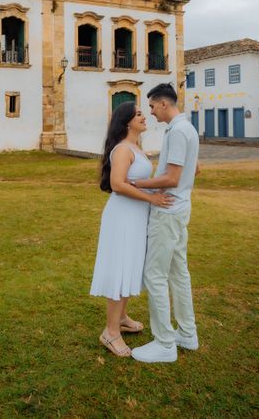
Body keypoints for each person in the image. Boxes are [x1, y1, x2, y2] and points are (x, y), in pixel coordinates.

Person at [90, 101, 174, 358]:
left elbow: (137, 181)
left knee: (131, 267)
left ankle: (122, 318)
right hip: (123, 217)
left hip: (136, 217)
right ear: (127, 121)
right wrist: (152, 199)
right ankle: (110, 332)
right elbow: (117, 184)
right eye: (139, 114)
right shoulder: (122, 150)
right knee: (120, 269)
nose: (144, 116)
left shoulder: (136, 147)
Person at [130, 83, 200, 363]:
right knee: (178, 272)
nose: (151, 112)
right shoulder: (187, 129)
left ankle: (164, 343)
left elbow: (171, 178)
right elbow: (194, 168)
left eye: (152, 106)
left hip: (168, 211)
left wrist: (135, 183)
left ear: (163, 104)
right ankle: (187, 333)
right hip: (180, 208)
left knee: (155, 275)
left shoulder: (179, 131)